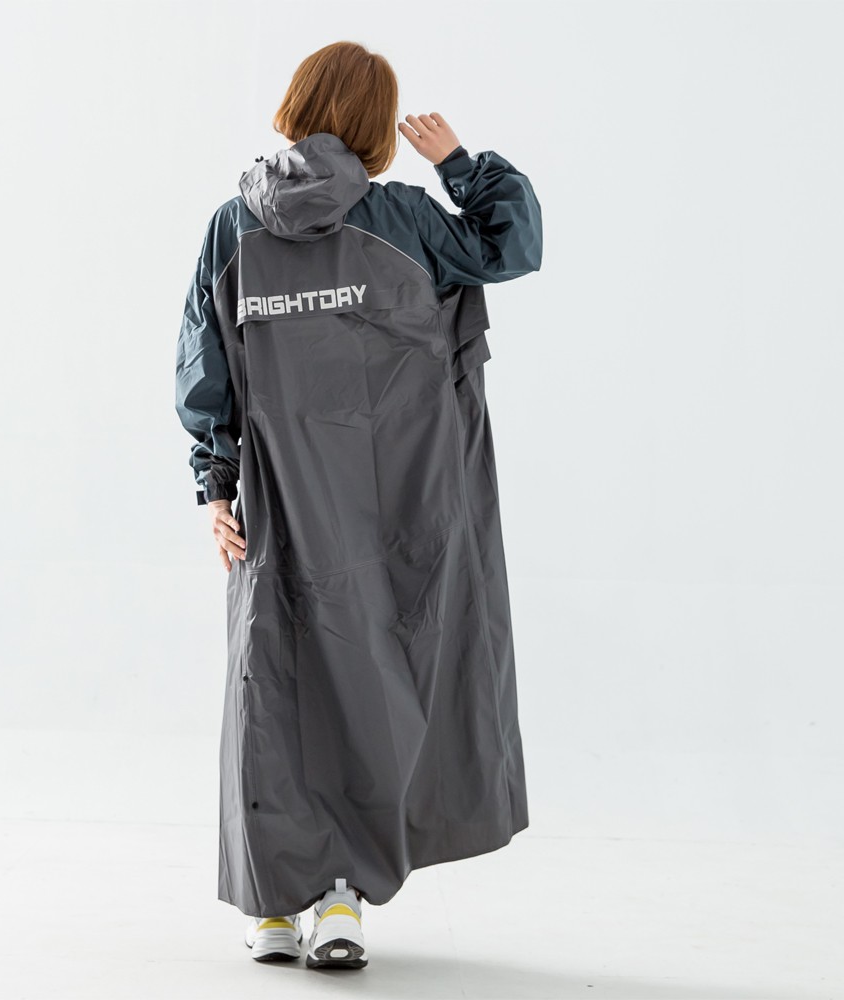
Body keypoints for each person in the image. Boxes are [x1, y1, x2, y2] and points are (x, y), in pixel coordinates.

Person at [174, 40, 542, 970]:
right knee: (374, 685)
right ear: (379, 126)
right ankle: (340, 899)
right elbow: (511, 247)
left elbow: (203, 363)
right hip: (399, 513)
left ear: (296, 106)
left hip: (277, 506)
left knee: (274, 683)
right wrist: (461, 164)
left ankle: (272, 903)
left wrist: (215, 484)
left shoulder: (232, 228)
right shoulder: (405, 219)